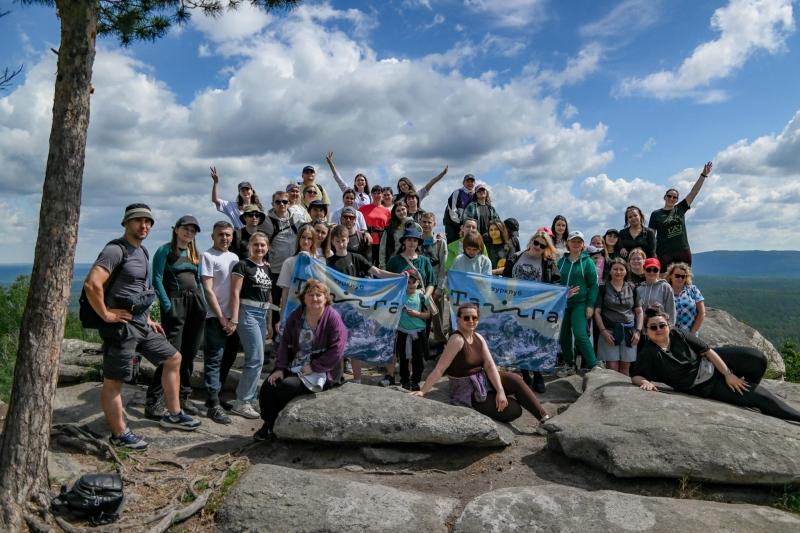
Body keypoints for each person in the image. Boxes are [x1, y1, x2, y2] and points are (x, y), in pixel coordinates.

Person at [83, 204, 200, 450]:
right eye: (138, 221)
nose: (143, 226)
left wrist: (147, 318)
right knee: (115, 381)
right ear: (126, 223)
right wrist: (106, 314)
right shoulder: (115, 250)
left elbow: (137, 290)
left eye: (148, 222)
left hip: (140, 323)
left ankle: (173, 413)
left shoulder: (142, 251)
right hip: (121, 328)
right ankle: (119, 434)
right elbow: (92, 284)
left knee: (173, 358)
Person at [631, 306, 800, 423]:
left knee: (757, 358)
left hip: (711, 363)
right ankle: (757, 399)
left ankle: (744, 391)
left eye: (662, 325)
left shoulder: (678, 334)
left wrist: (728, 375)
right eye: (653, 327)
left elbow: (707, 351)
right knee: (761, 397)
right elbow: (636, 375)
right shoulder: (649, 353)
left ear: (668, 325)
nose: (659, 329)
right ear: (647, 331)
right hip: (705, 385)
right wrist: (645, 382)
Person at [411, 303, 549, 423]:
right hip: (468, 392)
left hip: (483, 380)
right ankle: (491, 403)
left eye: (474, 317)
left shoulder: (478, 337)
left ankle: (544, 419)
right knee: (515, 410)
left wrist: (500, 391)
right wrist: (423, 391)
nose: (471, 321)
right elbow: (440, 369)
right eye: (466, 318)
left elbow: (489, 365)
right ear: (458, 319)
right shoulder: (456, 340)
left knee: (516, 379)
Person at [255, 280, 348, 440]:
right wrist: (280, 368)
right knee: (268, 385)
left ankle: (282, 422)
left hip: (322, 368)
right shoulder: (297, 315)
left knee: (286, 387)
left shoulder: (332, 317)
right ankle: (269, 425)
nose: (314, 298)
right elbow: (284, 343)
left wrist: (314, 366)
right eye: (310, 295)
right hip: (296, 362)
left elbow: (337, 349)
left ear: (325, 298)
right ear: (304, 298)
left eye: (318, 295)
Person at [147, 215, 206, 420]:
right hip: (176, 303)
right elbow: (156, 279)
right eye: (186, 228)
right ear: (176, 229)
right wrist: (166, 304)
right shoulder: (165, 250)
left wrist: (203, 303)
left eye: (193, 230)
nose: (189, 233)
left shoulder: (194, 252)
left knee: (190, 353)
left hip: (195, 304)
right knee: (171, 353)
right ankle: (154, 400)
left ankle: (183, 397)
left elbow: (198, 280)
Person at [328, 225, 401, 384]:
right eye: (337, 241)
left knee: (354, 344)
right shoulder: (328, 262)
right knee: (338, 343)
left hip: (355, 309)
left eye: (344, 240)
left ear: (348, 240)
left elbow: (378, 273)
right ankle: (338, 378)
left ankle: (357, 379)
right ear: (332, 242)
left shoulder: (357, 258)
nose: (341, 243)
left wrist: (398, 277)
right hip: (337, 309)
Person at [502, 230, 561, 393]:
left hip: (537, 308)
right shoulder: (515, 257)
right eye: (536, 242)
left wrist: (562, 293)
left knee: (535, 341)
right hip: (516, 305)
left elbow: (556, 283)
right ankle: (525, 374)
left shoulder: (548, 262)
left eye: (543, 245)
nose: (538, 247)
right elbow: (505, 280)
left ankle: (538, 374)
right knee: (519, 340)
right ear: (530, 242)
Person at [384, 228, 437, 386]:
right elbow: (387, 281)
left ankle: (414, 379)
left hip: (420, 303)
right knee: (399, 345)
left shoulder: (424, 261)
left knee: (417, 347)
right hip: (399, 305)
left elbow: (431, 282)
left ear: (418, 243)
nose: (412, 243)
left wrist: (425, 297)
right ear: (404, 242)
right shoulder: (395, 261)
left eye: (415, 240)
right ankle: (398, 377)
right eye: (409, 239)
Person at [228, 232, 272, 419]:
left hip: (262, 314)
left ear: (267, 247)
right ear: (250, 246)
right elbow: (235, 293)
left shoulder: (267, 268)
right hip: (247, 313)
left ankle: (250, 397)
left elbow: (268, 296)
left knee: (259, 360)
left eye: (263, 245)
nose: (259, 248)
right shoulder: (243, 266)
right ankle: (242, 402)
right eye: (256, 245)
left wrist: (270, 321)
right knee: (254, 359)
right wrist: (235, 318)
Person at [200, 221, 239, 425]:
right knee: (214, 359)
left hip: (233, 318)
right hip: (215, 317)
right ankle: (212, 403)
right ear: (213, 236)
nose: (225, 238)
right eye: (221, 235)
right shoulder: (208, 256)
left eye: (228, 235)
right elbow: (208, 290)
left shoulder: (234, 257)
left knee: (229, 358)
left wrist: (234, 317)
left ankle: (216, 397)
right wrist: (222, 317)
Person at [649, 161, 713, 272]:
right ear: (665, 197)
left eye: (674, 197)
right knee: (665, 280)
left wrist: (703, 175)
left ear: (677, 200)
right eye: (669, 196)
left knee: (683, 278)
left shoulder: (680, 208)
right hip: (664, 252)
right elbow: (651, 236)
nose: (671, 199)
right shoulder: (656, 214)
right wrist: (652, 253)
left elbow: (694, 192)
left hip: (682, 250)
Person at [262, 190, 303, 338]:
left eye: (284, 201)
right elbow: (261, 241)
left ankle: (291, 336)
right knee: (274, 305)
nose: (281, 205)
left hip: (294, 269)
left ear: (289, 203)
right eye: (278, 202)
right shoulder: (267, 221)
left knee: (293, 303)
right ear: (273, 204)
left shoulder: (297, 219)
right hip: (274, 269)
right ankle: (274, 337)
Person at [557, 231, 599, 374]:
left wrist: (590, 305)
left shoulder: (587, 262)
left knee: (580, 334)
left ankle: (594, 365)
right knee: (563, 336)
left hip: (580, 303)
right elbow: (554, 282)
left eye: (579, 242)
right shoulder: (561, 262)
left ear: (583, 245)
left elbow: (594, 285)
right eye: (573, 241)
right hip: (562, 304)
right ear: (568, 243)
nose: (576, 244)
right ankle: (569, 365)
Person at [594, 258, 643, 376]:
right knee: (612, 367)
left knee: (626, 367)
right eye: (615, 269)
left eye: (621, 269)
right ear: (610, 271)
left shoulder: (632, 288)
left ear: (626, 271)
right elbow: (597, 312)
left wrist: (638, 331)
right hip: (609, 331)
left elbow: (639, 311)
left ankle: (623, 395)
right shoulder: (603, 288)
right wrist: (603, 331)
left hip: (629, 332)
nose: (618, 272)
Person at [395, 270, 432, 390]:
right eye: (407, 282)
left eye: (413, 282)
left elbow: (428, 315)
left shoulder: (422, 297)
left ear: (417, 283)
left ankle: (415, 381)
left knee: (418, 359)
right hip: (402, 332)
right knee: (403, 358)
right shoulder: (399, 295)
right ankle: (405, 381)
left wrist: (416, 314)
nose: (410, 284)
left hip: (418, 332)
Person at [418, 211, 449, 347]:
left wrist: (440, 288)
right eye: (424, 222)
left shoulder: (440, 243)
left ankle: (439, 344)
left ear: (434, 224)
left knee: (438, 317)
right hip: (419, 285)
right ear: (420, 222)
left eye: (429, 222)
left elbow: (444, 266)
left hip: (436, 284)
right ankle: (422, 344)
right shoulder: (415, 240)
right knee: (420, 315)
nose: (426, 225)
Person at [277, 224, 316, 317]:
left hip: (313, 311)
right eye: (303, 237)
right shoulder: (289, 262)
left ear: (313, 241)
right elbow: (285, 292)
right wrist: (283, 316)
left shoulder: (319, 263)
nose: (306, 241)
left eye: (309, 238)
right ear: (298, 239)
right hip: (293, 310)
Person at [667, 262, 705, 336]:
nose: (680, 278)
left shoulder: (693, 290)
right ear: (671, 275)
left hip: (690, 334)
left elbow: (701, 313)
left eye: (683, 276)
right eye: (677, 276)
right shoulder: (665, 290)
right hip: (670, 335)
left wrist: (692, 333)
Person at [637, 258, 675, 325]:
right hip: (642, 330)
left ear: (659, 271)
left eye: (655, 270)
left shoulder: (665, 287)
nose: (652, 272)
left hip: (660, 328)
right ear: (644, 270)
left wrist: (670, 328)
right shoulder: (639, 289)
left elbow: (671, 310)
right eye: (648, 270)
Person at [360, 185, 391, 266]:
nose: (377, 195)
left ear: (382, 195)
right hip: (366, 241)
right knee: (367, 265)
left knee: (380, 264)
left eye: (379, 193)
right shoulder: (363, 209)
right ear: (371, 195)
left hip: (381, 242)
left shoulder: (387, 211)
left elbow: (389, 227)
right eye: (374, 193)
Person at [444, 174, 476, 243]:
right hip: (453, 225)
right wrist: (460, 224)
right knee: (453, 244)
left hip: (467, 226)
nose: (470, 183)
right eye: (468, 181)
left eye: (472, 181)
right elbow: (452, 211)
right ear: (463, 182)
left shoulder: (475, 195)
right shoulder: (457, 193)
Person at [379, 202, 413, 268]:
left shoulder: (414, 225)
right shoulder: (390, 228)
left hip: (409, 262)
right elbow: (382, 247)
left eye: (403, 209)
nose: (401, 212)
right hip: (393, 261)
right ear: (395, 213)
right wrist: (382, 264)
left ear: (407, 209)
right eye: (398, 211)